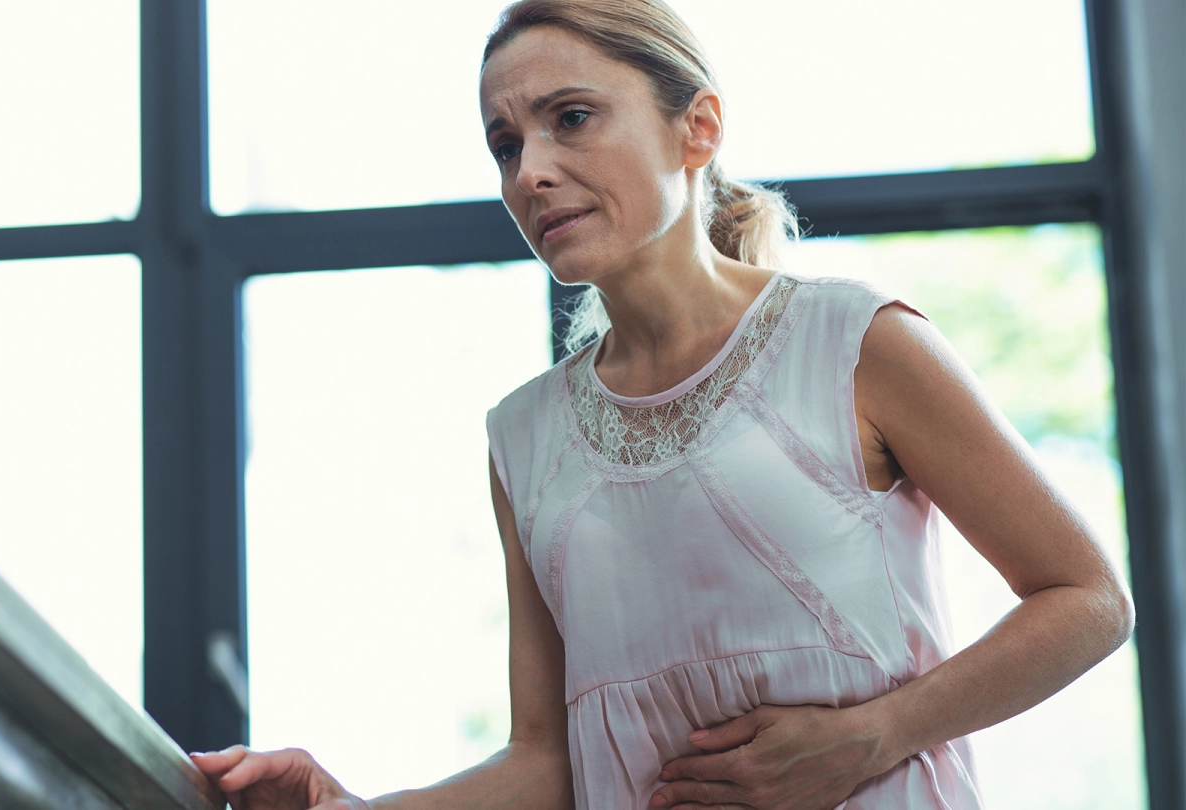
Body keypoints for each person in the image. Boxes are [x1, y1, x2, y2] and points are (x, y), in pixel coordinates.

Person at [191, 1, 1136, 807]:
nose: (530, 173)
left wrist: (879, 733)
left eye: (571, 118)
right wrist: (356, 806)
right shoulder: (521, 439)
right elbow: (547, 761)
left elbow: (1089, 599)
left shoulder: (856, 340)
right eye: (506, 144)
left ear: (698, 129)